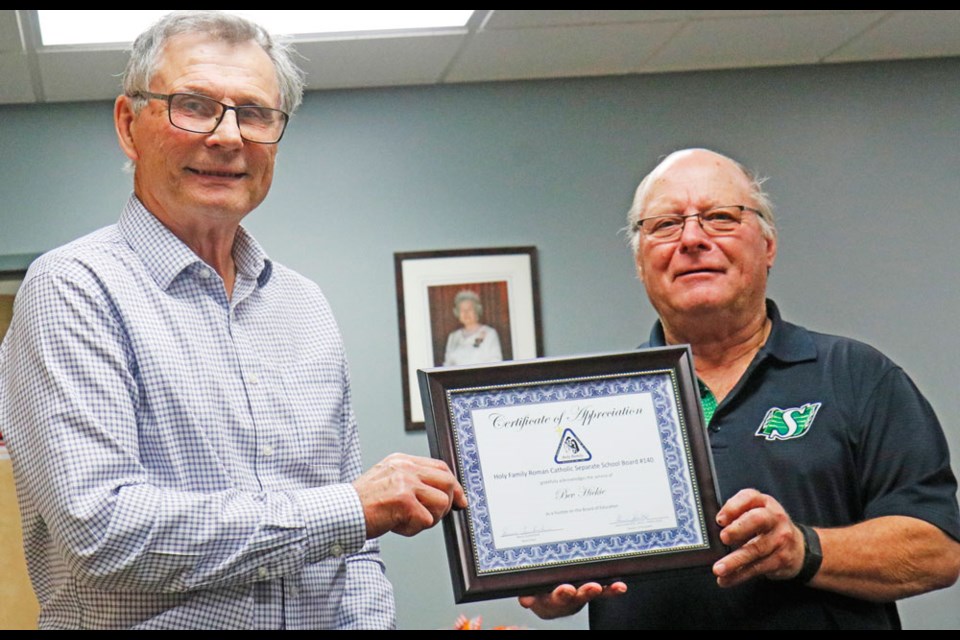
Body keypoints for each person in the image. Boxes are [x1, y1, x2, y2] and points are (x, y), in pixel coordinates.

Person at [0, 11, 464, 630]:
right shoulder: (74, 287)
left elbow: (353, 553)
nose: (227, 137)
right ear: (128, 125)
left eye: (255, 114)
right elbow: (103, 531)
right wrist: (351, 507)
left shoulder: (304, 306)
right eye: (192, 105)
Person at [519, 148, 960, 628]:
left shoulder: (856, 375)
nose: (691, 239)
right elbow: (555, 560)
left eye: (720, 218)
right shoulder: (595, 404)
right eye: (665, 224)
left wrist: (803, 548)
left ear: (768, 246)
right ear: (640, 262)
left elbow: (938, 550)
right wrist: (546, 582)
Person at [442, 289, 503, 366]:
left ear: (477, 310)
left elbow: (496, 362)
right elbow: (447, 363)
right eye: (462, 310)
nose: (465, 313)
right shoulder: (453, 336)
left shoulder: (489, 333)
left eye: (469, 309)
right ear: (457, 312)